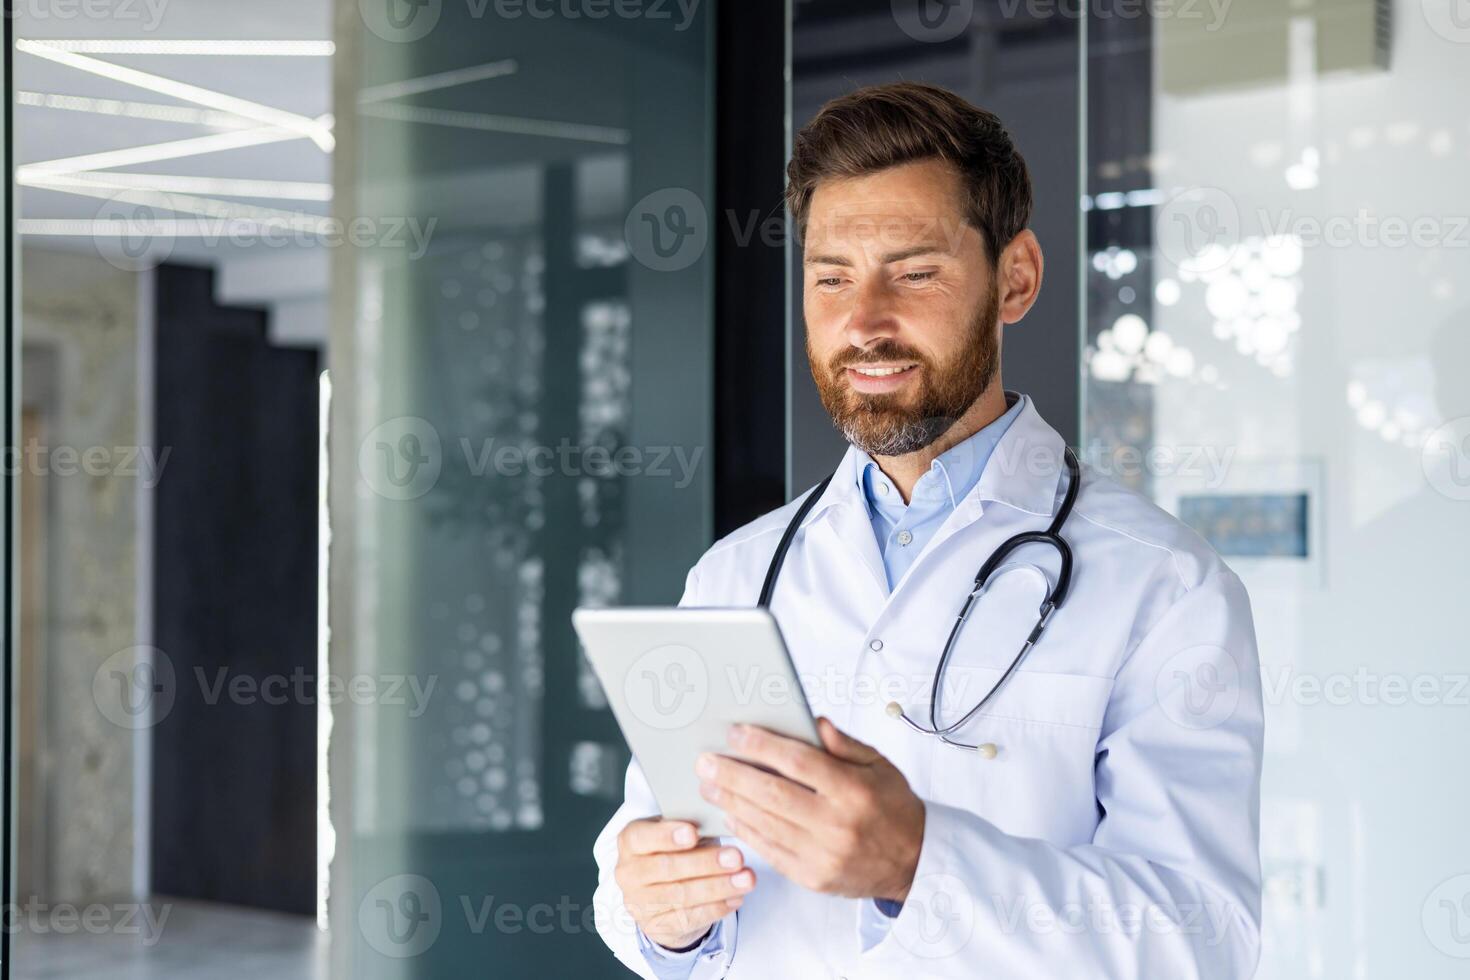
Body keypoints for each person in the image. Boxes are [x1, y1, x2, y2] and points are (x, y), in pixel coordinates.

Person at [592, 80, 1263, 979]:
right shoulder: (736, 576)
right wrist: (660, 912)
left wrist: (919, 863)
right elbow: (648, 872)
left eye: (912, 273)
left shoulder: (1164, 586)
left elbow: (1206, 940)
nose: (863, 322)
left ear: (1015, 279)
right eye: (831, 277)